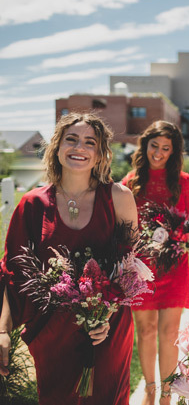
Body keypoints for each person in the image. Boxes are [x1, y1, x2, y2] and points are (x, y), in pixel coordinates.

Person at [0, 112, 138, 404]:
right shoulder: (32, 204)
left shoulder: (119, 197)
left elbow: (130, 269)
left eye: (90, 142)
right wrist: (2, 331)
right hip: (53, 331)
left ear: (100, 154)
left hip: (107, 330)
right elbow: (12, 274)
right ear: (57, 147)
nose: (80, 148)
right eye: (71, 139)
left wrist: (106, 314)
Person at [122, 121, 189, 405]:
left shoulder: (184, 182)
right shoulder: (130, 182)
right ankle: (150, 389)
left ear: (173, 151)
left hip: (173, 266)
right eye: (154, 146)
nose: (158, 153)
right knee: (145, 331)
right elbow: (122, 227)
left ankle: (167, 394)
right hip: (141, 270)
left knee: (169, 333)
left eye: (165, 148)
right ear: (144, 146)